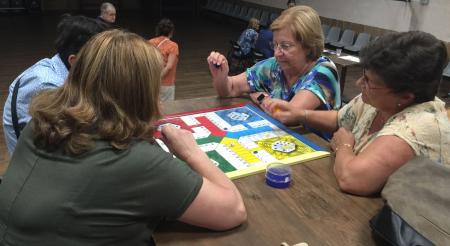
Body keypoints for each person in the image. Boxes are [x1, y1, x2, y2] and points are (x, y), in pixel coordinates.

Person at [0, 29, 247, 244]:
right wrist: (190, 151)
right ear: (141, 93)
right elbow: (233, 210)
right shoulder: (136, 160)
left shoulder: (40, 124)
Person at [267, 31, 450, 196]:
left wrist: (344, 145)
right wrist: (300, 114)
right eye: (363, 75)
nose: (359, 83)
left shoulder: (420, 126)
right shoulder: (377, 100)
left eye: (369, 81)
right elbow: (340, 119)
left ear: (405, 96)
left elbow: (351, 178)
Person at [2, 15, 108, 155]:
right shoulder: (47, 85)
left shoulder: (59, 69)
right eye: (99, 60)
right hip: (36, 168)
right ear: (74, 61)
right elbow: (72, 142)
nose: (104, 66)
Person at [207, 6, 340, 116]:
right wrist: (221, 76)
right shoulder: (274, 66)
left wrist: (261, 98)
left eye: (285, 46)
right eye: (275, 45)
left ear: (308, 46)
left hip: (317, 144)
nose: (277, 53)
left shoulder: (324, 70)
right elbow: (230, 89)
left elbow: (287, 115)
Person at [149, 18, 179, 101]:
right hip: (166, 83)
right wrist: (158, 78)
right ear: (171, 31)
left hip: (151, 82)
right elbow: (169, 67)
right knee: (167, 110)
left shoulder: (150, 42)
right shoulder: (173, 46)